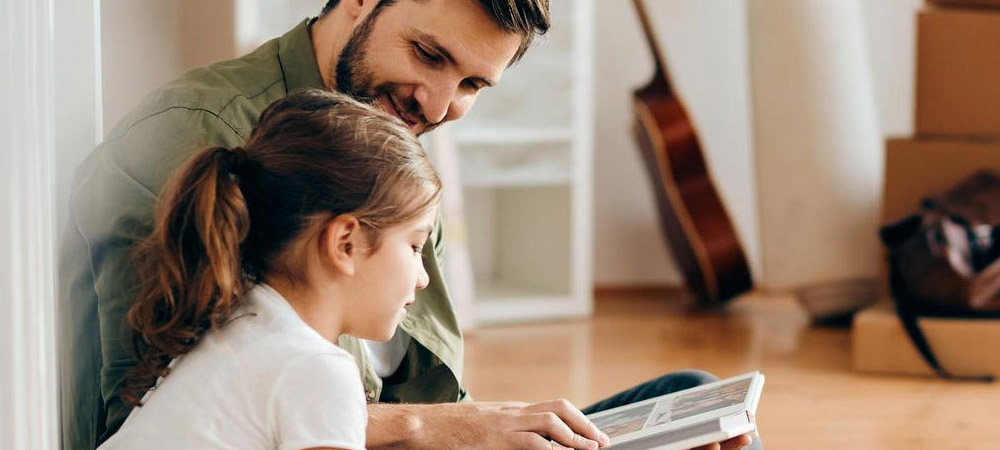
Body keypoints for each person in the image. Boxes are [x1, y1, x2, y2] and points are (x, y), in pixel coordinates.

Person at [58, 0, 754, 449]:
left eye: (474, 85)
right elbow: (154, 419)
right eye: (429, 54)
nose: (441, 104)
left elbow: (429, 389)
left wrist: (491, 426)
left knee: (691, 405)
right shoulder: (202, 139)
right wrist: (436, 427)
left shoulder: (384, 140)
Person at [99, 89, 439, 450]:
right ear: (345, 244)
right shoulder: (316, 370)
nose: (423, 278)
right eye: (415, 247)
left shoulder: (237, 324)